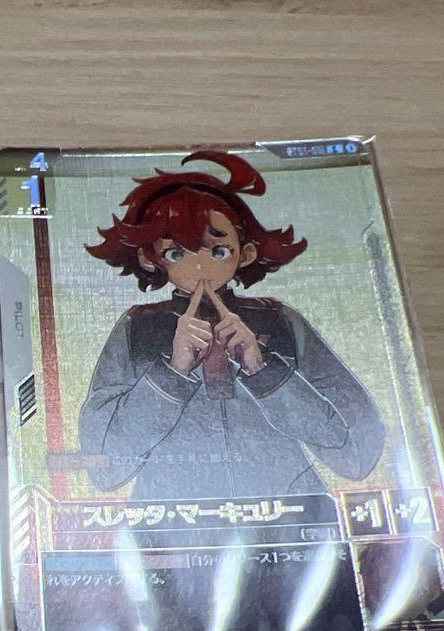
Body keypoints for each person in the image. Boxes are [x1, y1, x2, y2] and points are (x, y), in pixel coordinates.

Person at [80, 151, 384, 500]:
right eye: (177, 253)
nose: (199, 266)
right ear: (150, 259)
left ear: (246, 252)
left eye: (219, 251)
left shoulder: (279, 320)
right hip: (175, 518)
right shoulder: (138, 327)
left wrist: (265, 370)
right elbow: (103, 467)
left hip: (288, 514)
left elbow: (358, 453)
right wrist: (171, 373)